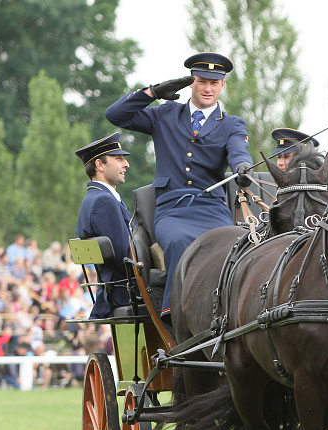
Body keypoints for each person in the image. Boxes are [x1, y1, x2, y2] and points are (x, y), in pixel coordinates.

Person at [105, 52, 253, 313]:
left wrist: (242, 166)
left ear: (222, 86)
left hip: (212, 209)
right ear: (191, 82)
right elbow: (116, 114)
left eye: (214, 83)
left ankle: (228, 311)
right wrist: (153, 91)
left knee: (231, 245)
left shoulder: (231, 124)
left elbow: (238, 151)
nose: (208, 88)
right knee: (178, 242)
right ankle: (177, 310)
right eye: (202, 81)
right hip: (173, 209)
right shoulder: (166, 114)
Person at [73, 132, 133, 319]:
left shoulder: (95, 198)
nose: (126, 164)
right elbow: (125, 258)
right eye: (118, 159)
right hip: (127, 294)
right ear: (100, 165)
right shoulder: (103, 201)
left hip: (117, 291)